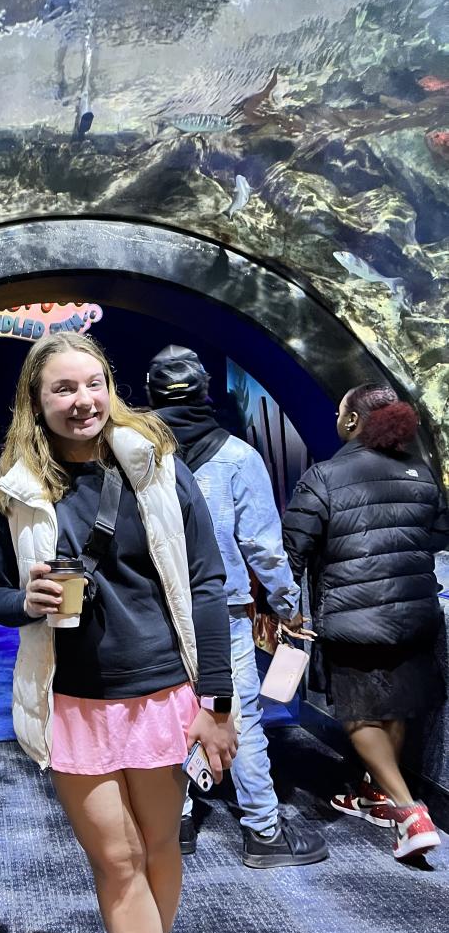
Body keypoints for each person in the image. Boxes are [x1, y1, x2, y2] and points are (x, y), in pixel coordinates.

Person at [0, 331, 238, 933]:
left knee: (159, 847)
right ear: (38, 400)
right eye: (63, 388)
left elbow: (207, 582)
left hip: (160, 689)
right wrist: (21, 601)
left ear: (110, 386)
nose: (82, 400)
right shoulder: (21, 487)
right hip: (75, 700)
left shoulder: (156, 464)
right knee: (117, 857)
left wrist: (216, 704)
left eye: (92, 383)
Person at [146, 345, 328, 869]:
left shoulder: (136, 452)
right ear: (207, 390)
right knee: (238, 716)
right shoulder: (238, 456)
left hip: (155, 612)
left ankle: (175, 824)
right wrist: (288, 606)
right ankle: (263, 831)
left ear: (152, 391)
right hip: (223, 612)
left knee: (170, 715)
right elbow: (265, 550)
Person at [282, 382, 449, 861]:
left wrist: (285, 608)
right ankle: (374, 793)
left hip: (353, 618)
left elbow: (294, 547)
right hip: (415, 612)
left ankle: (408, 810)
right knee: (392, 706)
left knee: (358, 713)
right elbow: (437, 533)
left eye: (340, 411)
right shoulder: (420, 473)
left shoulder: (325, 477)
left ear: (352, 421)